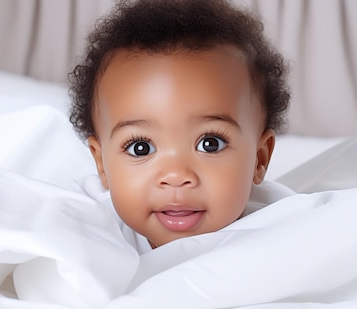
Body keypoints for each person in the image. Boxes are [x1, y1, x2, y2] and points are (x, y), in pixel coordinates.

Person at [68, 0, 291, 250]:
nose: (176, 176)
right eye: (140, 147)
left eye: (210, 144)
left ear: (259, 159)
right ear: (102, 165)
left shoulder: (286, 239)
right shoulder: (84, 237)